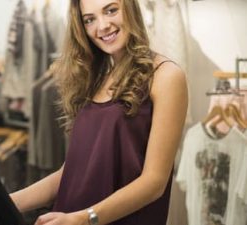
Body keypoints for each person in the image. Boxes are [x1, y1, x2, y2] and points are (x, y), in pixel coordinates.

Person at [10, 0, 188, 224]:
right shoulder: (94, 79)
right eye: (90, 19)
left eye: (111, 10)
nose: (102, 26)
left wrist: (85, 218)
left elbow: (154, 182)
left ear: (130, 9)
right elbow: (72, 173)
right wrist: (6, 201)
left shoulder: (166, 76)